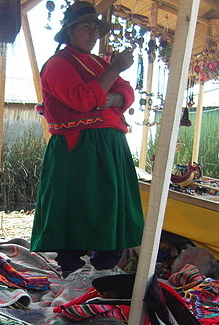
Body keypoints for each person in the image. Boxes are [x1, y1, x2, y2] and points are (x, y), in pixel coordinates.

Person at [32, 1, 144, 278]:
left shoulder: (98, 63)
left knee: (108, 205)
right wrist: (114, 70)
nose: (93, 34)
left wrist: (110, 96)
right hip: (78, 147)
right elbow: (82, 100)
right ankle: (71, 270)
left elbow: (127, 93)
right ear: (69, 32)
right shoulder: (57, 65)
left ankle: (104, 270)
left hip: (110, 146)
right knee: (77, 204)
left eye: (96, 28)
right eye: (86, 27)